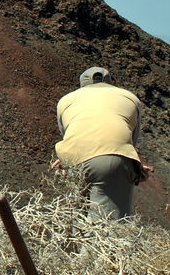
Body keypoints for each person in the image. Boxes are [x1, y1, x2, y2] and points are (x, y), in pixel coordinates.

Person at [53, 66, 153, 219]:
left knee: (76, 219)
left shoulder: (65, 101)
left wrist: (66, 159)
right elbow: (129, 142)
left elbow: (69, 136)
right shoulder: (130, 98)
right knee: (109, 224)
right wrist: (136, 168)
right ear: (109, 82)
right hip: (112, 160)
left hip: (73, 160)